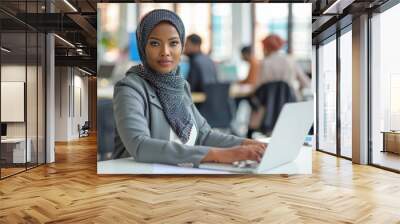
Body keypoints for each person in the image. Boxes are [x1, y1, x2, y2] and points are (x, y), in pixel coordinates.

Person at [112, 9, 266, 169]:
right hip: (140, 181)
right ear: (143, 46)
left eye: (173, 43)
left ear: (182, 46)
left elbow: (204, 135)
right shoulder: (129, 88)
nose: (165, 52)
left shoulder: (180, 85)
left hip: (182, 173)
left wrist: (252, 145)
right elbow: (140, 146)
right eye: (155, 43)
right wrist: (219, 155)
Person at [258, 34, 310, 99]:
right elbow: (306, 83)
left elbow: (260, 85)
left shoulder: (264, 63)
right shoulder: (290, 60)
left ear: (266, 47)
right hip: (290, 101)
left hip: (269, 103)